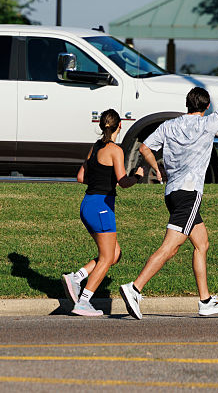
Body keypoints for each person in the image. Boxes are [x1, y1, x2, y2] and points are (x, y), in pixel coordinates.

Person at [120, 44, 218, 320]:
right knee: (170, 247)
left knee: (202, 243)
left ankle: (205, 300)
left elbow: (144, 147)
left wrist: (158, 168)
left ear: (187, 105)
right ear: (204, 107)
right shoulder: (208, 123)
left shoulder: (170, 125)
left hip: (172, 193)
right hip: (189, 193)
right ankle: (135, 288)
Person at [62, 109, 158, 316]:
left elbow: (80, 177)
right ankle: (84, 301)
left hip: (87, 205)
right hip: (102, 207)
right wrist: (137, 176)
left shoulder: (95, 148)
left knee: (114, 254)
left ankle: (77, 277)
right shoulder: (116, 150)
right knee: (107, 258)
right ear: (119, 126)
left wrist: (101, 179)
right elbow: (123, 182)